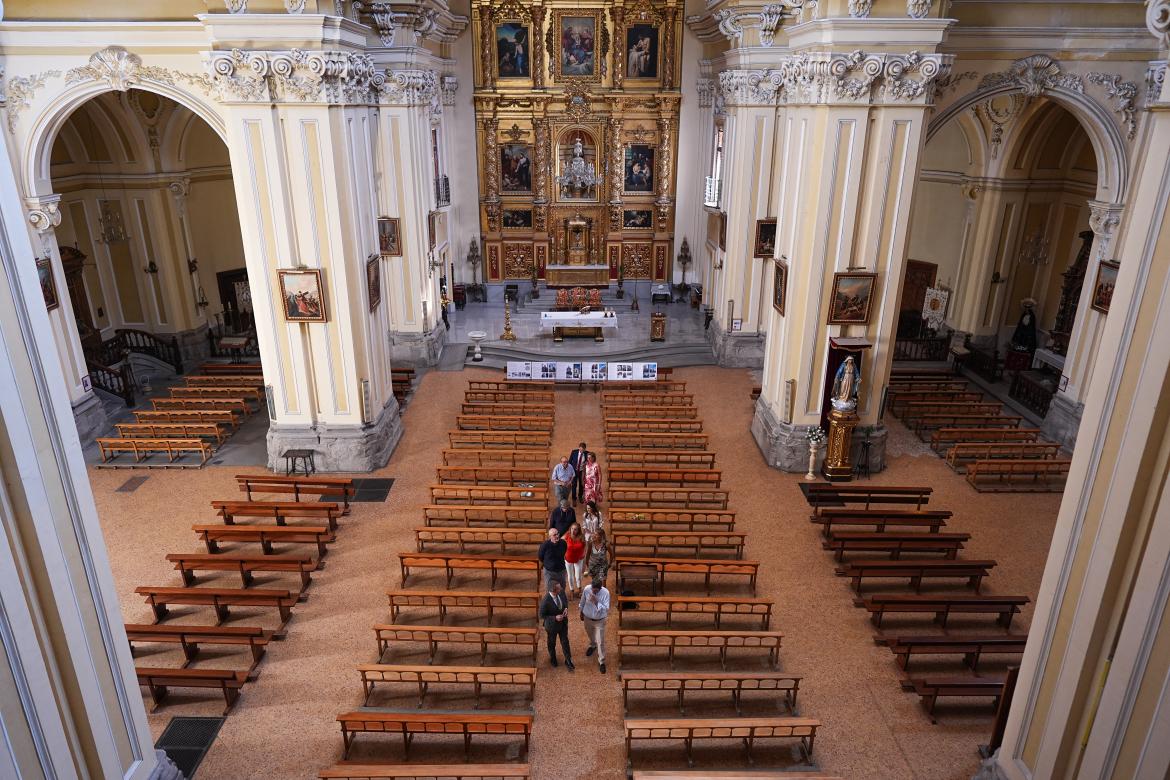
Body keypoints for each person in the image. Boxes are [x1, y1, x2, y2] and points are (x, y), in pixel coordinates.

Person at [539, 580, 574, 670]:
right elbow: (541, 615)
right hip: (552, 626)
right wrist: (555, 618)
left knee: (565, 641)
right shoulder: (545, 601)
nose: (561, 589)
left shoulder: (561, 592)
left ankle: (568, 660)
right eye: (559, 588)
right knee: (552, 643)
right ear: (554, 591)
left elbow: (565, 601)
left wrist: (566, 608)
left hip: (563, 623)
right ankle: (553, 658)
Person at [579, 579, 610, 673]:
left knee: (600, 641)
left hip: (599, 621)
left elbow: (606, 609)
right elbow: (582, 601)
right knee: (590, 634)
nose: (593, 591)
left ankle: (601, 661)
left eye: (595, 590)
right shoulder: (587, 589)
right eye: (592, 589)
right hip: (587, 618)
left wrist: (596, 602)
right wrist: (581, 612)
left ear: (600, 588)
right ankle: (592, 645)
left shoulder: (606, 593)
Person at [537, 527, 567, 591]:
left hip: (561, 571)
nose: (557, 536)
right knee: (549, 590)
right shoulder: (545, 545)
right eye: (554, 535)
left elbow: (564, 552)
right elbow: (540, 556)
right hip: (549, 572)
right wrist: (549, 564)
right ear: (550, 537)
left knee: (562, 588)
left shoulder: (563, 543)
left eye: (558, 534)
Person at [563, 522, 586, 599]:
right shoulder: (567, 535)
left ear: (578, 530)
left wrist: (584, 559)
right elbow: (560, 541)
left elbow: (584, 548)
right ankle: (572, 590)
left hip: (579, 559)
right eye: (572, 529)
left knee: (578, 576)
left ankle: (579, 589)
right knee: (570, 576)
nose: (573, 531)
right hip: (568, 558)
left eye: (575, 529)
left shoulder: (582, 537)